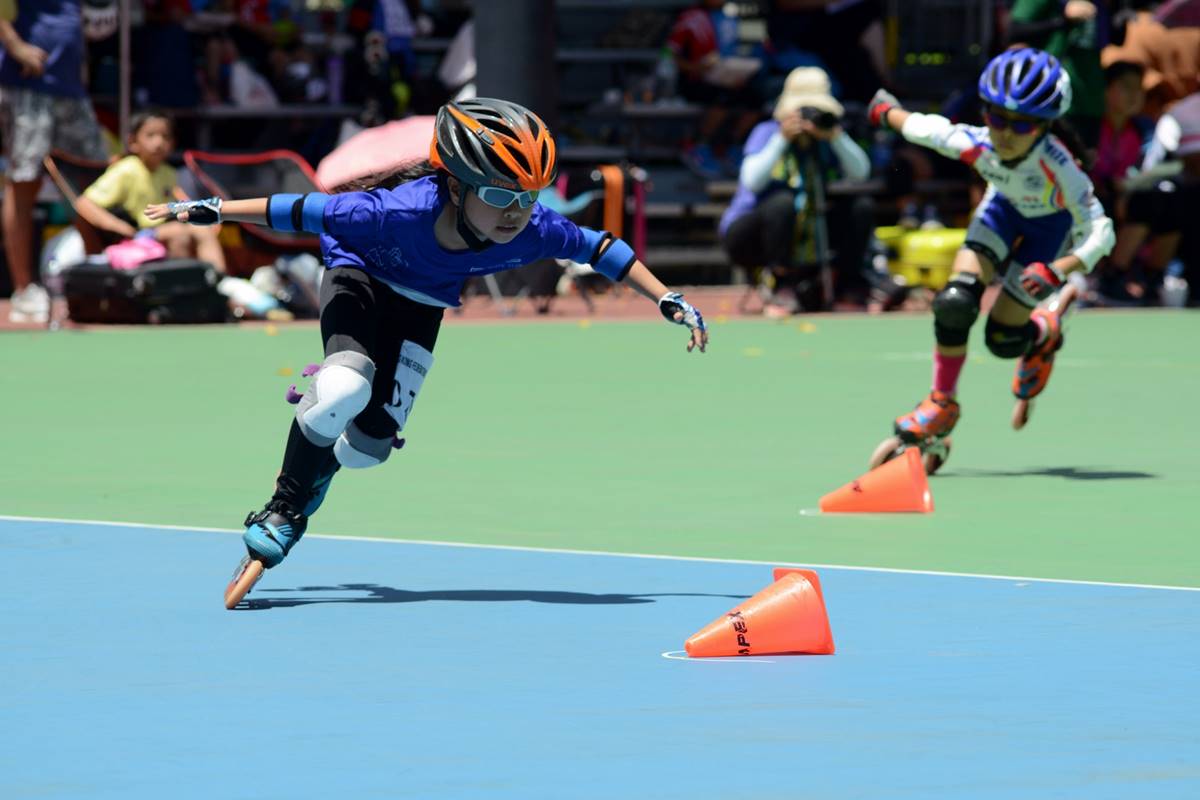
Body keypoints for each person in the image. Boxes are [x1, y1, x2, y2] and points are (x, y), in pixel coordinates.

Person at [146, 98, 708, 572]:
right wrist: (213, 209)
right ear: (456, 187)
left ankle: (319, 469)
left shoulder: (532, 229)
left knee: (367, 451)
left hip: (423, 303)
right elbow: (300, 210)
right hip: (359, 275)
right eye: (500, 195)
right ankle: (284, 508)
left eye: (528, 196)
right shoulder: (392, 212)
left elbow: (600, 247)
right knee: (345, 385)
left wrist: (667, 297)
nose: (516, 212)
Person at [865, 47, 1114, 456]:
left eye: (1023, 124)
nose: (1006, 134)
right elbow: (923, 128)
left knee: (1002, 340)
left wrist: (1058, 269)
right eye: (997, 118)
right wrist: (885, 111)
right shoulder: (978, 144)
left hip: (1047, 232)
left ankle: (1042, 332)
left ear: (1046, 125)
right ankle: (941, 403)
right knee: (954, 302)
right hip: (1000, 213)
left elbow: (1102, 232)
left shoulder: (1061, 168)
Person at [718, 66, 872, 314]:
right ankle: (781, 284)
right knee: (782, 203)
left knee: (860, 207)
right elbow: (752, 181)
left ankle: (847, 285)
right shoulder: (767, 131)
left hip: (810, 226)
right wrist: (782, 139)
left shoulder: (826, 137)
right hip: (752, 232)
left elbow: (860, 173)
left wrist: (836, 137)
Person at [1, 0, 108, 323]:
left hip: (72, 89)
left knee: (96, 184)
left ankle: (99, 281)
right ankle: (24, 290)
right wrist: (16, 46)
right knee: (24, 182)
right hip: (28, 83)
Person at [74, 110, 226, 271]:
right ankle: (195, 281)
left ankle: (215, 279)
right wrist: (120, 227)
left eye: (165, 136)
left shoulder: (169, 173)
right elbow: (83, 204)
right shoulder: (126, 169)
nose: (159, 142)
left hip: (157, 230)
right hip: (136, 234)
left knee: (200, 231)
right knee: (183, 235)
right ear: (133, 142)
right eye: (150, 135)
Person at [1007, 0, 1109, 148]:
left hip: (1090, 101)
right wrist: (1063, 20)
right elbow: (1014, 31)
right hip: (1049, 99)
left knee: (1084, 159)